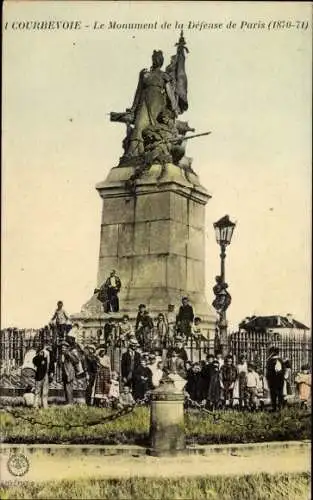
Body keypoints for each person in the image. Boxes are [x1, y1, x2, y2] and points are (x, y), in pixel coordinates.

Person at [124, 49, 180, 159]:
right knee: (139, 124)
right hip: (144, 102)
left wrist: (174, 107)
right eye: (155, 58)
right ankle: (134, 153)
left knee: (154, 127)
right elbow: (138, 91)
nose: (156, 61)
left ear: (161, 61)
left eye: (158, 59)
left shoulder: (164, 75)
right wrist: (133, 108)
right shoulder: (145, 74)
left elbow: (169, 93)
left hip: (158, 104)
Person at [33, 345, 54, 409]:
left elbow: (52, 364)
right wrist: (41, 355)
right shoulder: (40, 355)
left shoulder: (51, 355)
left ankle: (45, 405)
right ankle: (35, 405)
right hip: (39, 375)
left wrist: (52, 373)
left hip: (47, 375)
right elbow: (34, 360)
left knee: (45, 391)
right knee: (37, 391)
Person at [266, 347, 284, 411]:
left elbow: (268, 372)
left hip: (273, 380)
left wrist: (268, 379)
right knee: (280, 394)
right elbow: (283, 371)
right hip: (280, 380)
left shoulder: (270, 361)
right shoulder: (281, 360)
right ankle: (280, 406)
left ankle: (274, 407)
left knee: (273, 394)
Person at [60, 341, 77, 405]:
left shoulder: (68, 353)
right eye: (62, 347)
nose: (62, 349)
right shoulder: (62, 354)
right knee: (66, 387)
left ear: (67, 348)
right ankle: (68, 401)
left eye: (64, 347)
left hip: (69, 372)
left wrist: (69, 354)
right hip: (65, 372)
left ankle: (70, 403)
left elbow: (75, 360)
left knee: (68, 388)